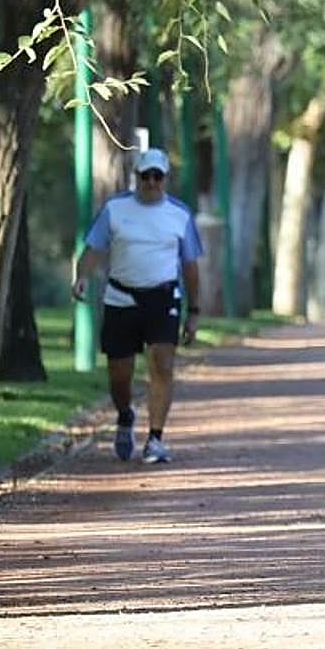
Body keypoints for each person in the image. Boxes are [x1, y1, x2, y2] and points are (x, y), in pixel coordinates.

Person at [72, 147, 203, 465]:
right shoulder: (116, 209)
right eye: (146, 176)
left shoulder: (179, 214)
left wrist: (194, 311)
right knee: (119, 373)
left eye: (158, 176)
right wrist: (82, 277)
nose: (152, 182)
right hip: (121, 298)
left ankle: (155, 438)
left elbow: (190, 266)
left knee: (162, 365)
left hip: (162, 298)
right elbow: (93, 247)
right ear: (136, 177)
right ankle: (125, 415)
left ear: (166, 179)